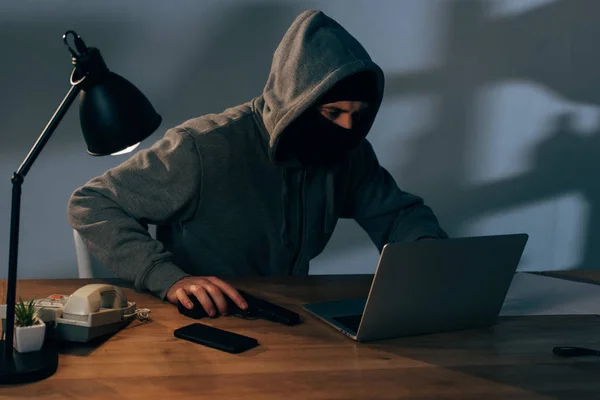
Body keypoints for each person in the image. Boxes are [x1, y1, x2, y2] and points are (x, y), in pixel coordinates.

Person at [67, 9, 447, 317]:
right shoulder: (203, 148)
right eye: (333, 112)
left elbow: (399, 215)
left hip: (291, 319)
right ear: (297, 101)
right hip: (200, 324)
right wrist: (166, 278)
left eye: (358, 114)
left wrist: (426, 255)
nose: (349, 128)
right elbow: (92, 202)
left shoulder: (349, 154)